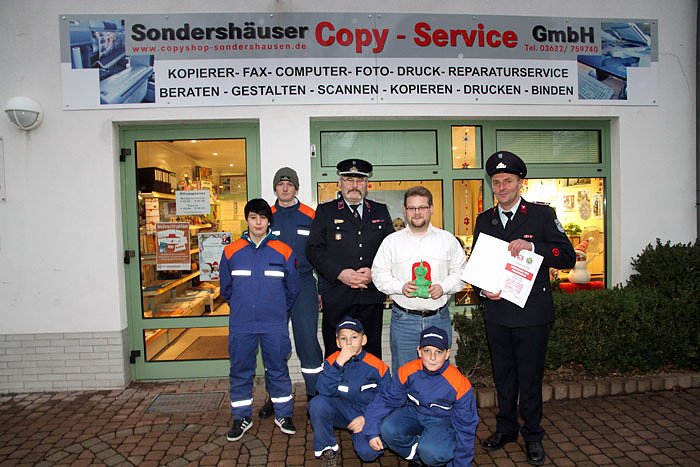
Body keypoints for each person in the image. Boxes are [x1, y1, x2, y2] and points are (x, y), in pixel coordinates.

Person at [471, 151, 576, 465]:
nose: (502, 187)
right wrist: (481, 289)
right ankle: (506, 429)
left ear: (520, 183)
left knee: (529, 379)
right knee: (503, 377)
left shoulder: (541, 215)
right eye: (496, 182)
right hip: (498, 313)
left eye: (508, 181)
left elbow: (567, 257)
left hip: (532, 315)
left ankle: (532, 435)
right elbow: (477, 264)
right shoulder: (484, 220)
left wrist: (534, 247)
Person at [219, 198, 301, 441]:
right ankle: (241, 417)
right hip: (242, 323)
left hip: (273, 323)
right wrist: (242, 307)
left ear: (268, 221)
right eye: (253, 217)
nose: (258, 222)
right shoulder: (231, 251)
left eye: (263, 218)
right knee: (240, 370)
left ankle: (284, 414)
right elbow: (226, 288)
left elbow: (293, 288)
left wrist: (277, 309)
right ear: (247, 220)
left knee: (278, 368)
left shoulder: (283, 250)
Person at [372, 186, 467, 374]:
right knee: (404, 375)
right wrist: (400, 287)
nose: (417, 212)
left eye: (422, 207)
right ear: (405, 210)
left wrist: (444, 287)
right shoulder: (391, 242)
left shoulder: (447, 240)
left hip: (438, 319)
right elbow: (378, 274)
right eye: (412, 208)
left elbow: (462, 272)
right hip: (404, 321)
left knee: (438, 375)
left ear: (431, 209)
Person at [307, 158, 393, 359]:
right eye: (349, 180)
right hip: (337, 297)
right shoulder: (326, 211)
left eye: (360, 180)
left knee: (371, 354)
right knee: (336, 353)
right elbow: (313, 249)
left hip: (371, 297)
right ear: (340, 183)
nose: (354, 185)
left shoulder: (380, 210)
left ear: (367, 184)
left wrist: (374, 273)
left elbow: (391, 250)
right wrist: (339, 273)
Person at [257, 167, 324, 420]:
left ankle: (314, 395)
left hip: (303, 284)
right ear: (275, 188)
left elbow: (321, 253)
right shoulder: (265, 216)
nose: (285, 188)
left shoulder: (310, 215)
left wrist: (321, 289)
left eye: (289, 184)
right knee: (273, 342)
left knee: (307, 340)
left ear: (296, 188)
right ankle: (276, 397)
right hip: (272, 287)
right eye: (280, 184)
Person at [363, 326, 478, 466]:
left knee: (433, 452)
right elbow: (386, 400)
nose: (432, 357)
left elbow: (466, 427)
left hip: (442, 422)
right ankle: (417, 457)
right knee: (388, 429)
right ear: (419, 351)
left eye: (438, 352)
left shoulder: (459, 384)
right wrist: (371, 431)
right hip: (414, 413)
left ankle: (438, 453)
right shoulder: (407, 371)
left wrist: (461, 464)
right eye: (427, 351)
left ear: (447, 354)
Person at [307, 316, 390, 466]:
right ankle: (328, 449)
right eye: (343, 339)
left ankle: (375, 435)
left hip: (366, 412)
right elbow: (322, 390)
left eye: (354, 337)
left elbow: (386, 399)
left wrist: (366, 418)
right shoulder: (332, 361)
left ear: (363, 340)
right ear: (338, 343)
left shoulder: (378, 366)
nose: (349, 342)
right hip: (341, 410)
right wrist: (339, 363)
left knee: (368, 453)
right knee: (317, 404)